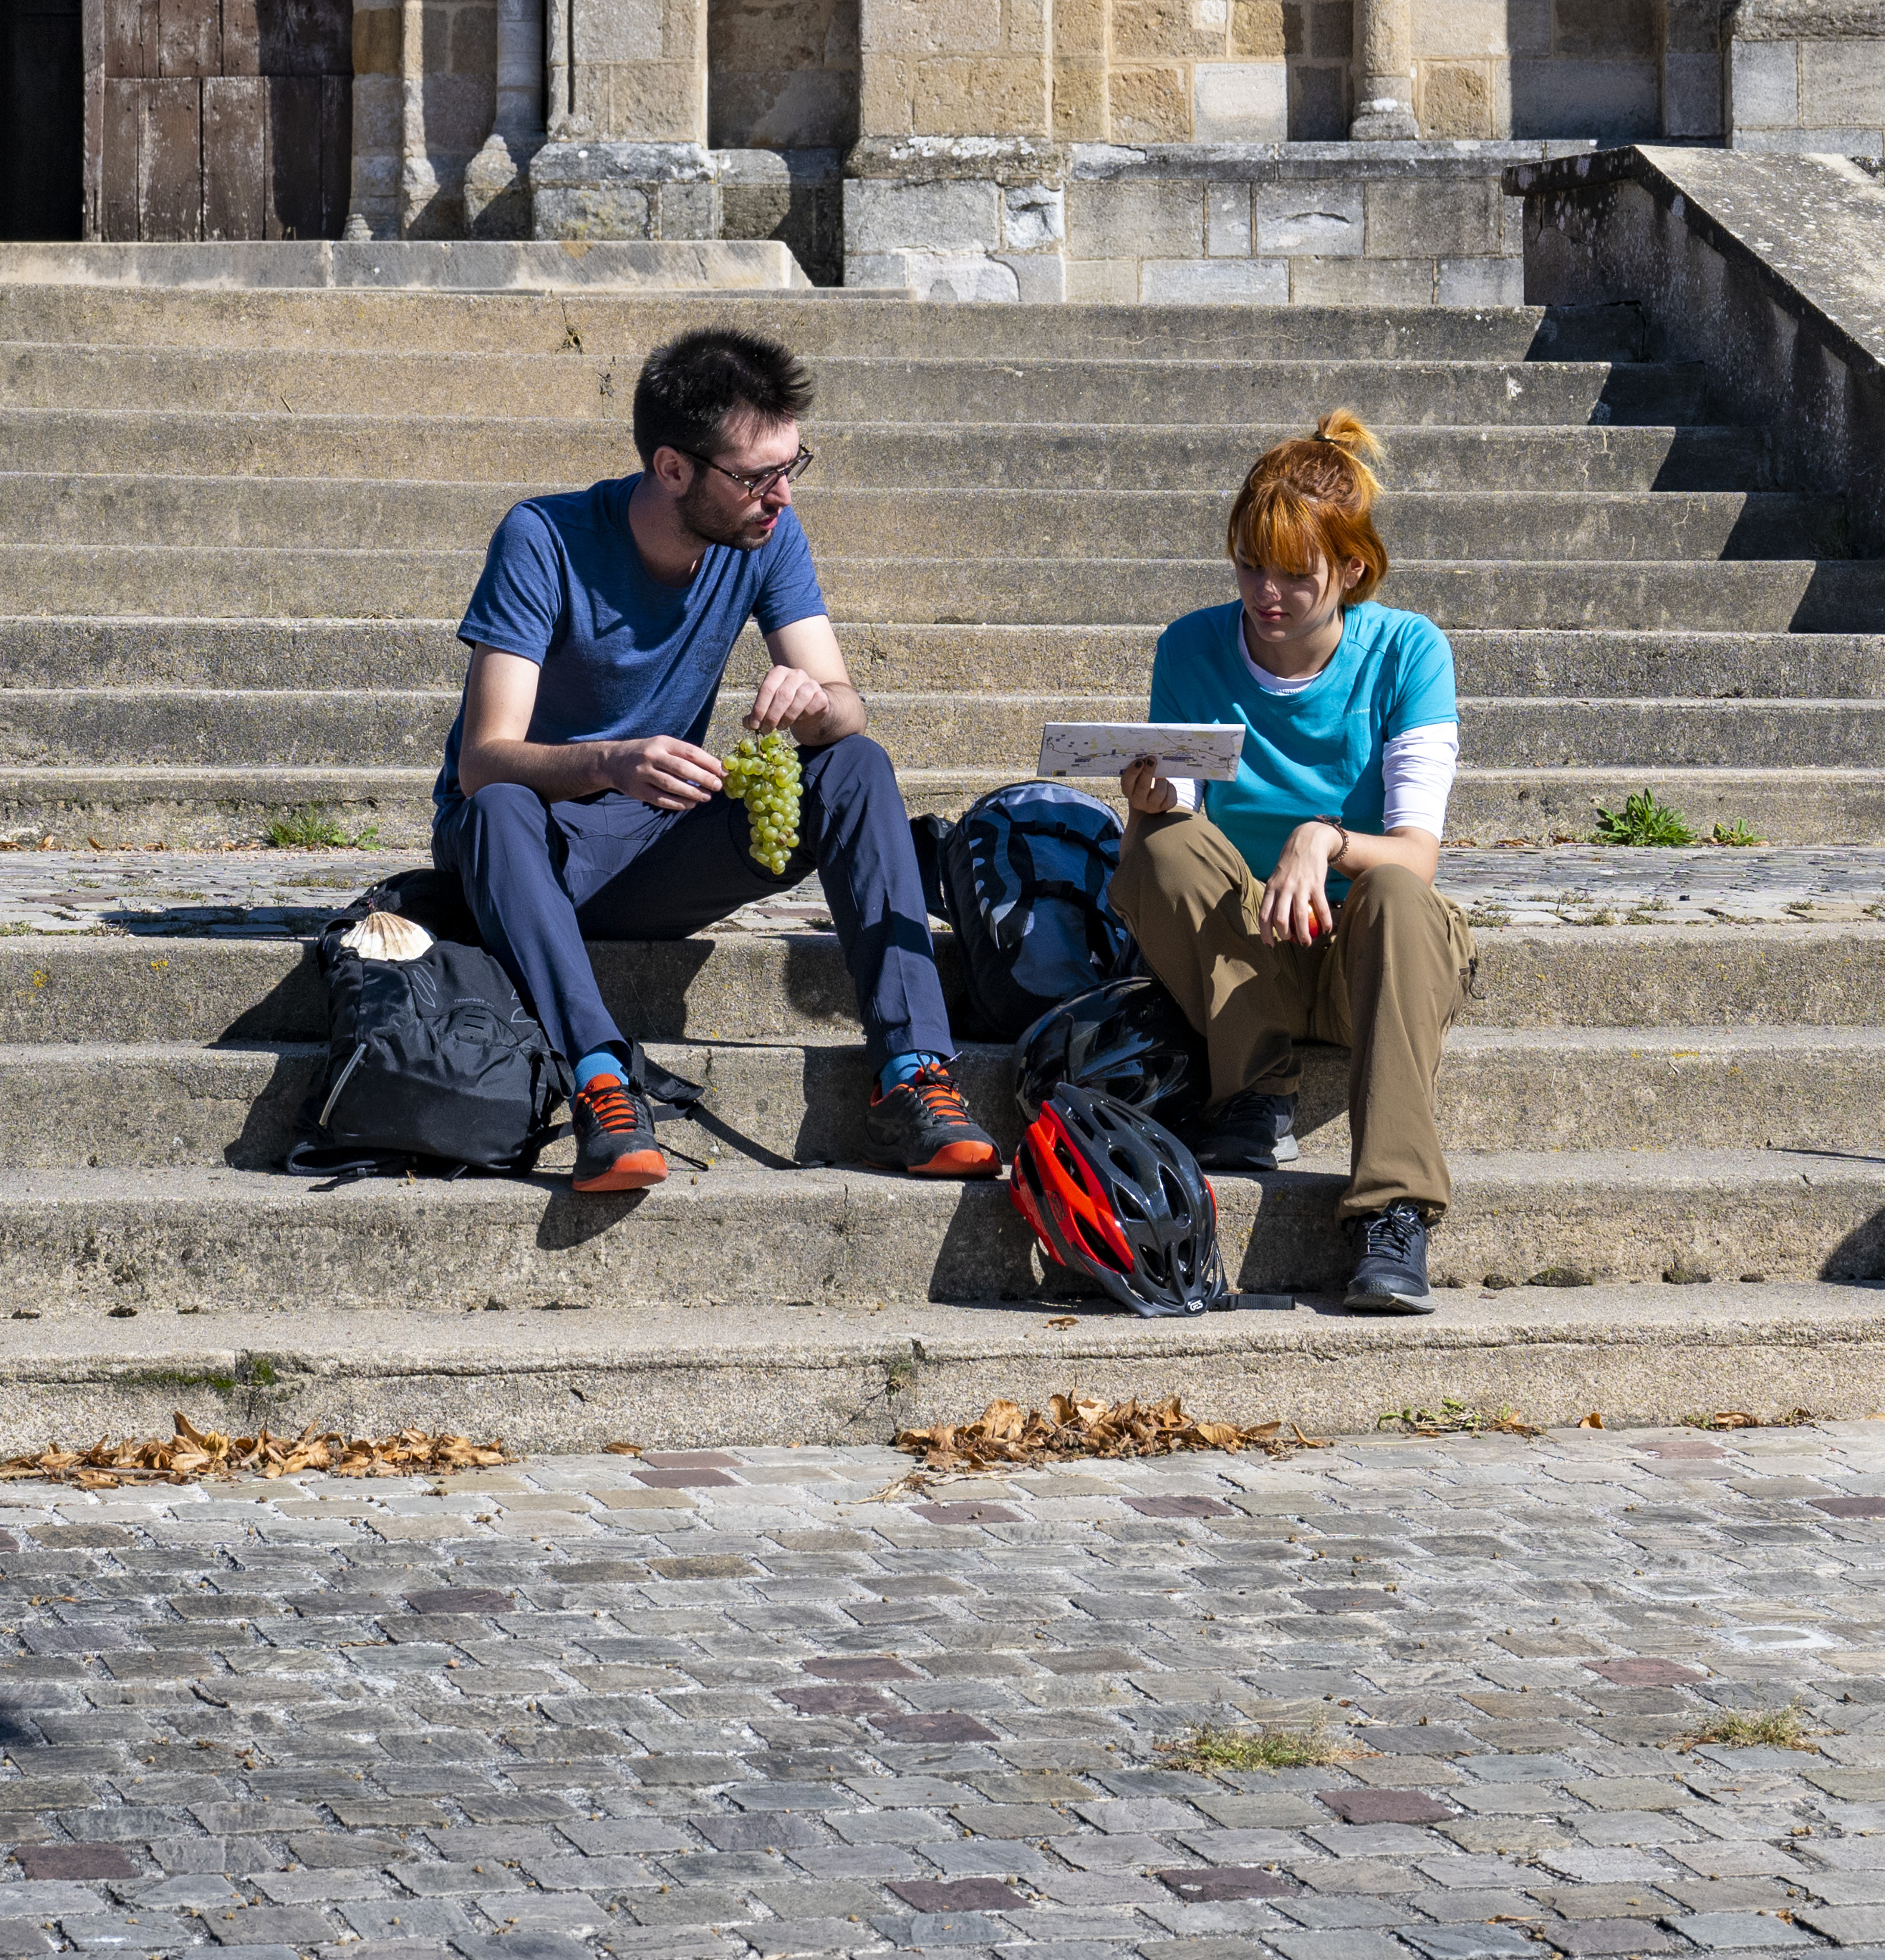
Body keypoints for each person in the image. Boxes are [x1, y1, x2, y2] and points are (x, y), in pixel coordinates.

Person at [438, 327, 992, 1194]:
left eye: (791, 464)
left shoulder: (769, 533)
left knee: (855, 764)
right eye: (755, 475)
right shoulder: (542, 537)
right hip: (530, 854)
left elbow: (845, 701)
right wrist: (611, 761)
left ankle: (915, 1073)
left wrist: (815, 706)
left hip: (656, 852)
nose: (780, 495)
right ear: (672, 468)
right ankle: (602, 1081)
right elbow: (483, 760)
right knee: (498, 806)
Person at [1112, 410, 1464, 1314]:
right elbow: (1187, 827)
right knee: (1156, 842)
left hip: (1369, 952)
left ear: (1350, 568)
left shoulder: (1408, 651)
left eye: (1294, 574)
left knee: (1392, 886)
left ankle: (1395, 1212)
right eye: (1247, 566)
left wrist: (1326, 837)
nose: (1265, 594)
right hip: (1249, 947)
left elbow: (1417, 854)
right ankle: (1253, 1089)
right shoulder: (1191, 645)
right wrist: (1159, 801)